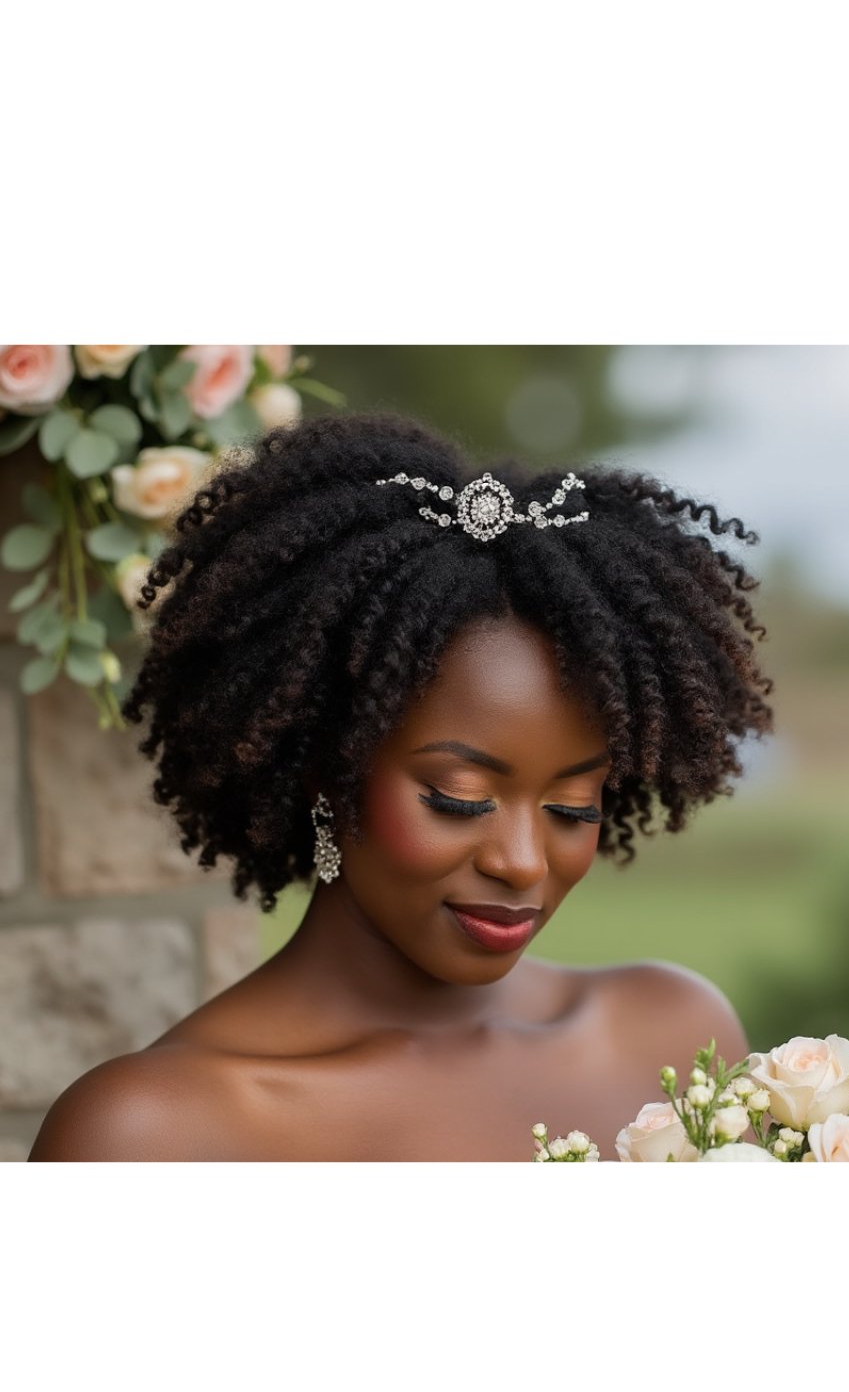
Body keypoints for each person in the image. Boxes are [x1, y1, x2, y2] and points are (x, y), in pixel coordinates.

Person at [28, 410, 775, 1161]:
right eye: (459, 798)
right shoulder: (153, 1132)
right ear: (326, 768)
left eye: (571, 808)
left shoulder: (675, 1039)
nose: (523, 862)